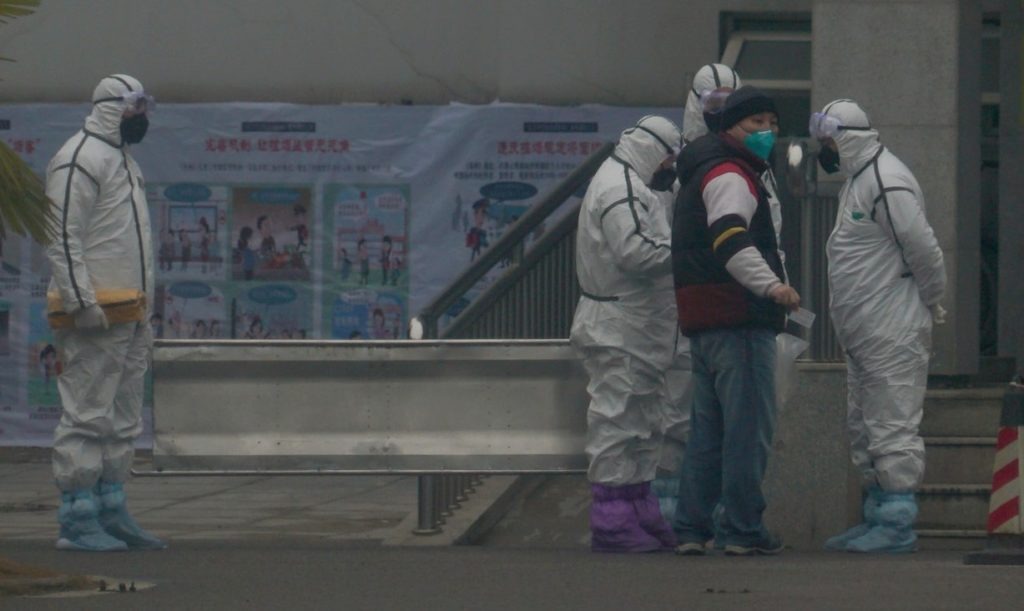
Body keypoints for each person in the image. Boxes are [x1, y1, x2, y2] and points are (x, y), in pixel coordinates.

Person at [812, 100, 946, 554]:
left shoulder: (886, 180)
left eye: (828, 141)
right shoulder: (859, 180)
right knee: (865, 424)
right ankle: (876, 512)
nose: (823, 150)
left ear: (846, 138)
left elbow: (923, 248)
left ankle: (896, 521)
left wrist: (931, 299)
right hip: (865, 329)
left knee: (892, 422)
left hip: (892, 326)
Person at [670, 86, 800, 556]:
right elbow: (730, 239)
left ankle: (690, 527)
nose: (767, 131)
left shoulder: (701, 170)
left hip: (703, 318)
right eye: (755, 123)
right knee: (747, 429)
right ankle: (743, 528)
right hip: (738, 317)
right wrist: (773, 287)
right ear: (729, 127)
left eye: (772, 122)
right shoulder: (730, 174)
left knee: (708, 432)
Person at [43, 74, 165, 552]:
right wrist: (80, 301)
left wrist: (142, 311)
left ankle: (111, 506)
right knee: (86, 413)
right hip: (95, 314)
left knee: (122, 415)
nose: (143, 117)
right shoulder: (79, 159)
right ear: (113, 107)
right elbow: (62, 236)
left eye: (145, 107)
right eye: (136, 108)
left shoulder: (121, 160)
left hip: (130, 313)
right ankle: (77, 516)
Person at [570, 115, 683, 553]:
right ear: (654, 150)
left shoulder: (629, 182)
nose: (670, 165)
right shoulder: (622, 187)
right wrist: (691, 251)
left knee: (641, 419)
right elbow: (635, 252)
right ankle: (612, 516)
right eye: (669, 156)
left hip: (636, 325)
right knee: (618, 417)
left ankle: (635, 504)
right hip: (621, 325)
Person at [682, 63, 741, 145]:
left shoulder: (750, 152)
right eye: (715, 104)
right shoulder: (681, 154)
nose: (723, 110)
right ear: (697, 101)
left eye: (729, 102)